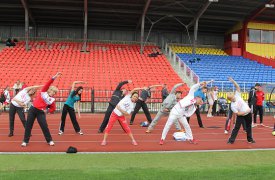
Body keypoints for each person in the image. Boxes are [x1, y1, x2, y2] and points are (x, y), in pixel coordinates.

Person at [159, 81, 212, 145]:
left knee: (187, 126)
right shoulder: (191, 96)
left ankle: (191, 139)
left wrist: (185, 113)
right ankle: (162, 139)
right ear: (197, 97)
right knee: (168, 125)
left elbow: (189, 113)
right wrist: (200, 84)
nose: (200, 102)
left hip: (181, 114)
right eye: (200, 101)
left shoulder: (194, 106)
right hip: (175, 112)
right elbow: (193, 88)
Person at [21, 72, 61, 147]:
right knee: (28, 125)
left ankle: (49, 140)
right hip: (32, 110)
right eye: (53, 91)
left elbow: (53, 108)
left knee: (44, 126)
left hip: (40, 112)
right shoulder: (43, 92)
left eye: (55, 92)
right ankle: (25, 141)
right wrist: (54, 77)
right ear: (50, 90)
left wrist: (47, 111)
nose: (53, 93)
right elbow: (47, 84)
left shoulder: (52, 100)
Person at [227, 77, 255, 144]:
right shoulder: (232, 105)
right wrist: (247, 111)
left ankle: (250, 139)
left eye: (233, 95)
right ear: (230, 99)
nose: (233, 97)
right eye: (232, 97)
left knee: (249, 127)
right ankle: (231, 140)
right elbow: (238, 114)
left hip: (248, 114)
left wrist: (233, 81)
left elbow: (237, 87)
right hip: (241, 115)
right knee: (236, 128)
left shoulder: (237, 95)